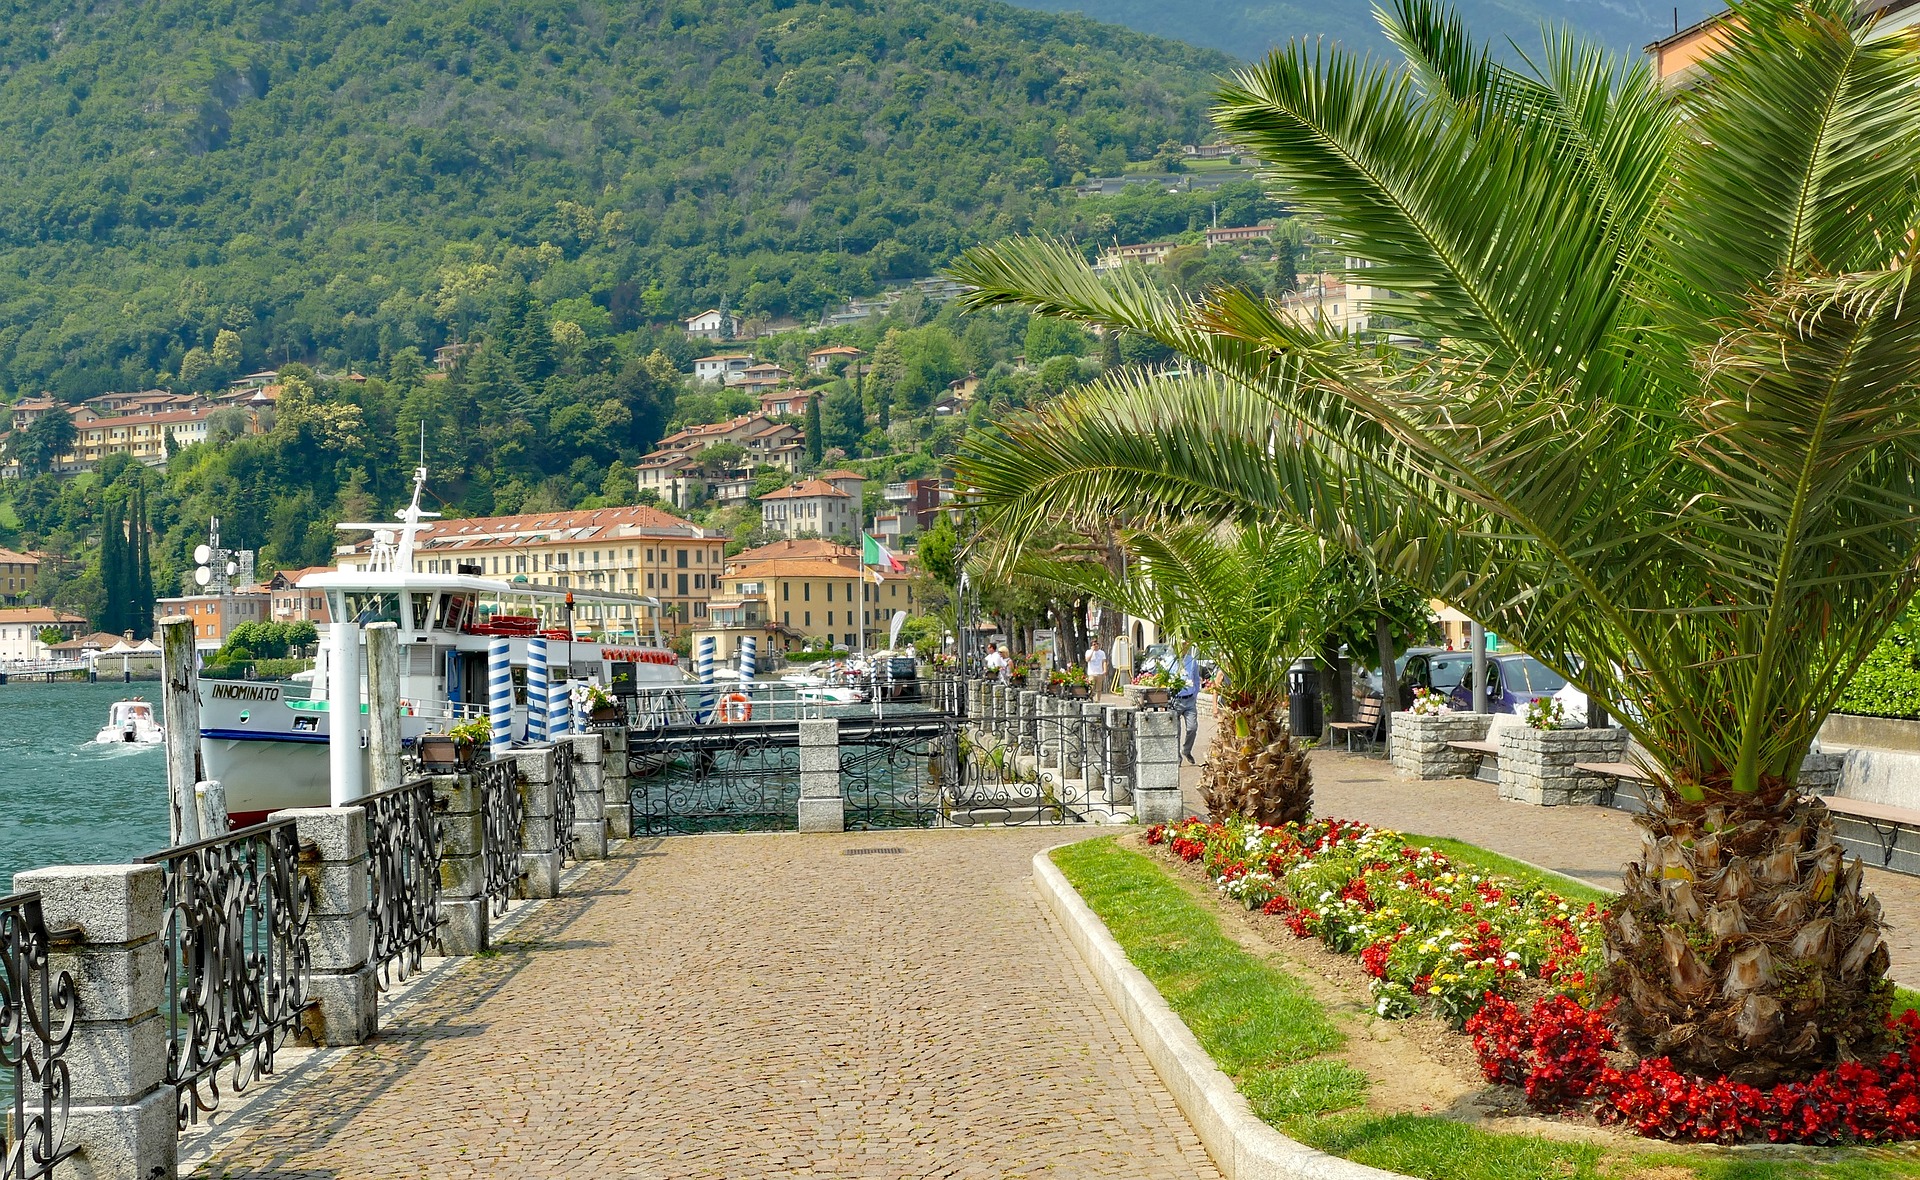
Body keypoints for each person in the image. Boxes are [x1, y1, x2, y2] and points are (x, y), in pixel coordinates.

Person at [1170, 645, 1201, 765]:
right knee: (1175, 731)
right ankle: (1177, 757)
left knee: (1192, 728)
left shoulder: (1192, 661)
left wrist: (1195, 693)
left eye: (1184, 644)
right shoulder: (1170, 661)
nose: (1182, 646)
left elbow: (1196, 679)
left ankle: (1186, 750)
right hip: (1175, 700)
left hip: (1189, 700)